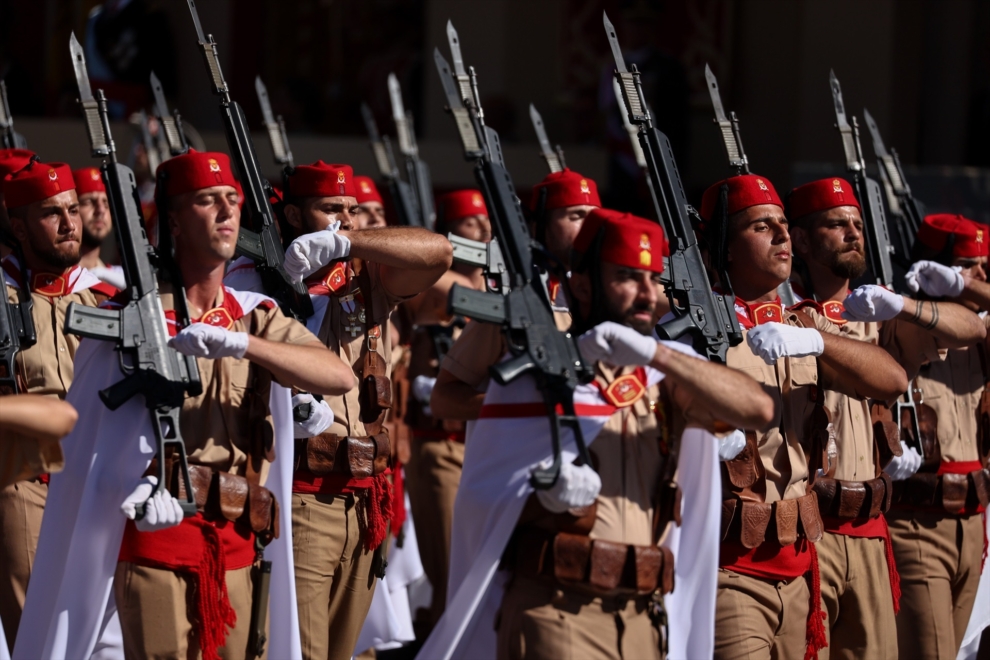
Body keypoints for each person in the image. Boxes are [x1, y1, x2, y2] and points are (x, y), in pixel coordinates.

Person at [16, 150, 355, 660]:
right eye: (206, 200)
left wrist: (244, 346)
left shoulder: (254, 315)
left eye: (231, 199)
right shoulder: (128, 317)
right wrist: (126, 482)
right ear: (173, 220)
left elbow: (338, 374)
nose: (225, 211)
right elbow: (89, 437)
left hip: (239, 534)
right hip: (156, 533)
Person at [419, 208, 775, 659]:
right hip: (557, 608)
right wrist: (540, 494)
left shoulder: (661, 373)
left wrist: (657, 354)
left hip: (645, 613)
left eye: (651, 278)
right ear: (584, 285)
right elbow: (483, 496)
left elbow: (759, 408)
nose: (646, 293)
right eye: (628, 277)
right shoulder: (536, 372)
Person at [696, 174, 908, 660]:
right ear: (725, 248)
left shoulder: (799, 325)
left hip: (796, 564)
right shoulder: (693, 330)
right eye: (761, 227)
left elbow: (891, 380)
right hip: (727, 566)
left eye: (784, 226)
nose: (782, 236)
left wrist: (817, 339)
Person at [785, 179, 986, 659]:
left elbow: (972, 326)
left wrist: (904, 305)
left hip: (871, 526)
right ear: (802, 240)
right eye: (837, 224)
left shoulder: (876, 313)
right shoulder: (785, 315)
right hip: (814, 529)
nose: (854, 233)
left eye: (857, 224)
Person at [271, 160, 451, 660]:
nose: (346, 219)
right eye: (330, 209)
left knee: (342, 653)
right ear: (291, 215)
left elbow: (438, 253)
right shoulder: (265, 278)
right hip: (303, 493)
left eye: (351, 210)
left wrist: (348, 242)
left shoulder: (366, 275)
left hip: (364, 496)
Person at [858, 213, 990, 659]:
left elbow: (974, 323)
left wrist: (965, 286)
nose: (982, 275)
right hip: (918, 522)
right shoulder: (902, 319)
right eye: (970, 265)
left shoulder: (980, 325)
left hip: (972, 524)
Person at [0, 159, 117, 650]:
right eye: (52, 214)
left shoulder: (107, 298)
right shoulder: (2, 294)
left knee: (100, 636)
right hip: (27, 480)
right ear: (19, 226)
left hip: (99, 485)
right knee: (37, 633)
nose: (72, 223)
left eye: (73, 208)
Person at [430, 169, 601, 422]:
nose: (589, 227)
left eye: (595, 218)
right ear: (540, 225)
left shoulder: (609, 304)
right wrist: (521, 406)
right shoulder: (514, 300)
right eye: (576, 216)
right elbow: (444, 399)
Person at [400, 188, 491, 631]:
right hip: (439, 441)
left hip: (481, 443)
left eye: (486, 222)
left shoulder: (493, 284)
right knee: (451, 573)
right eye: (472, 224)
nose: (485, 231)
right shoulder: (436, 280)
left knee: (476, 574)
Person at [71, 167, 124, 289]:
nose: (100, 210)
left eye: (106, 203)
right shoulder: (58, 279)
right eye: (89, 202)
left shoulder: (119, 279)